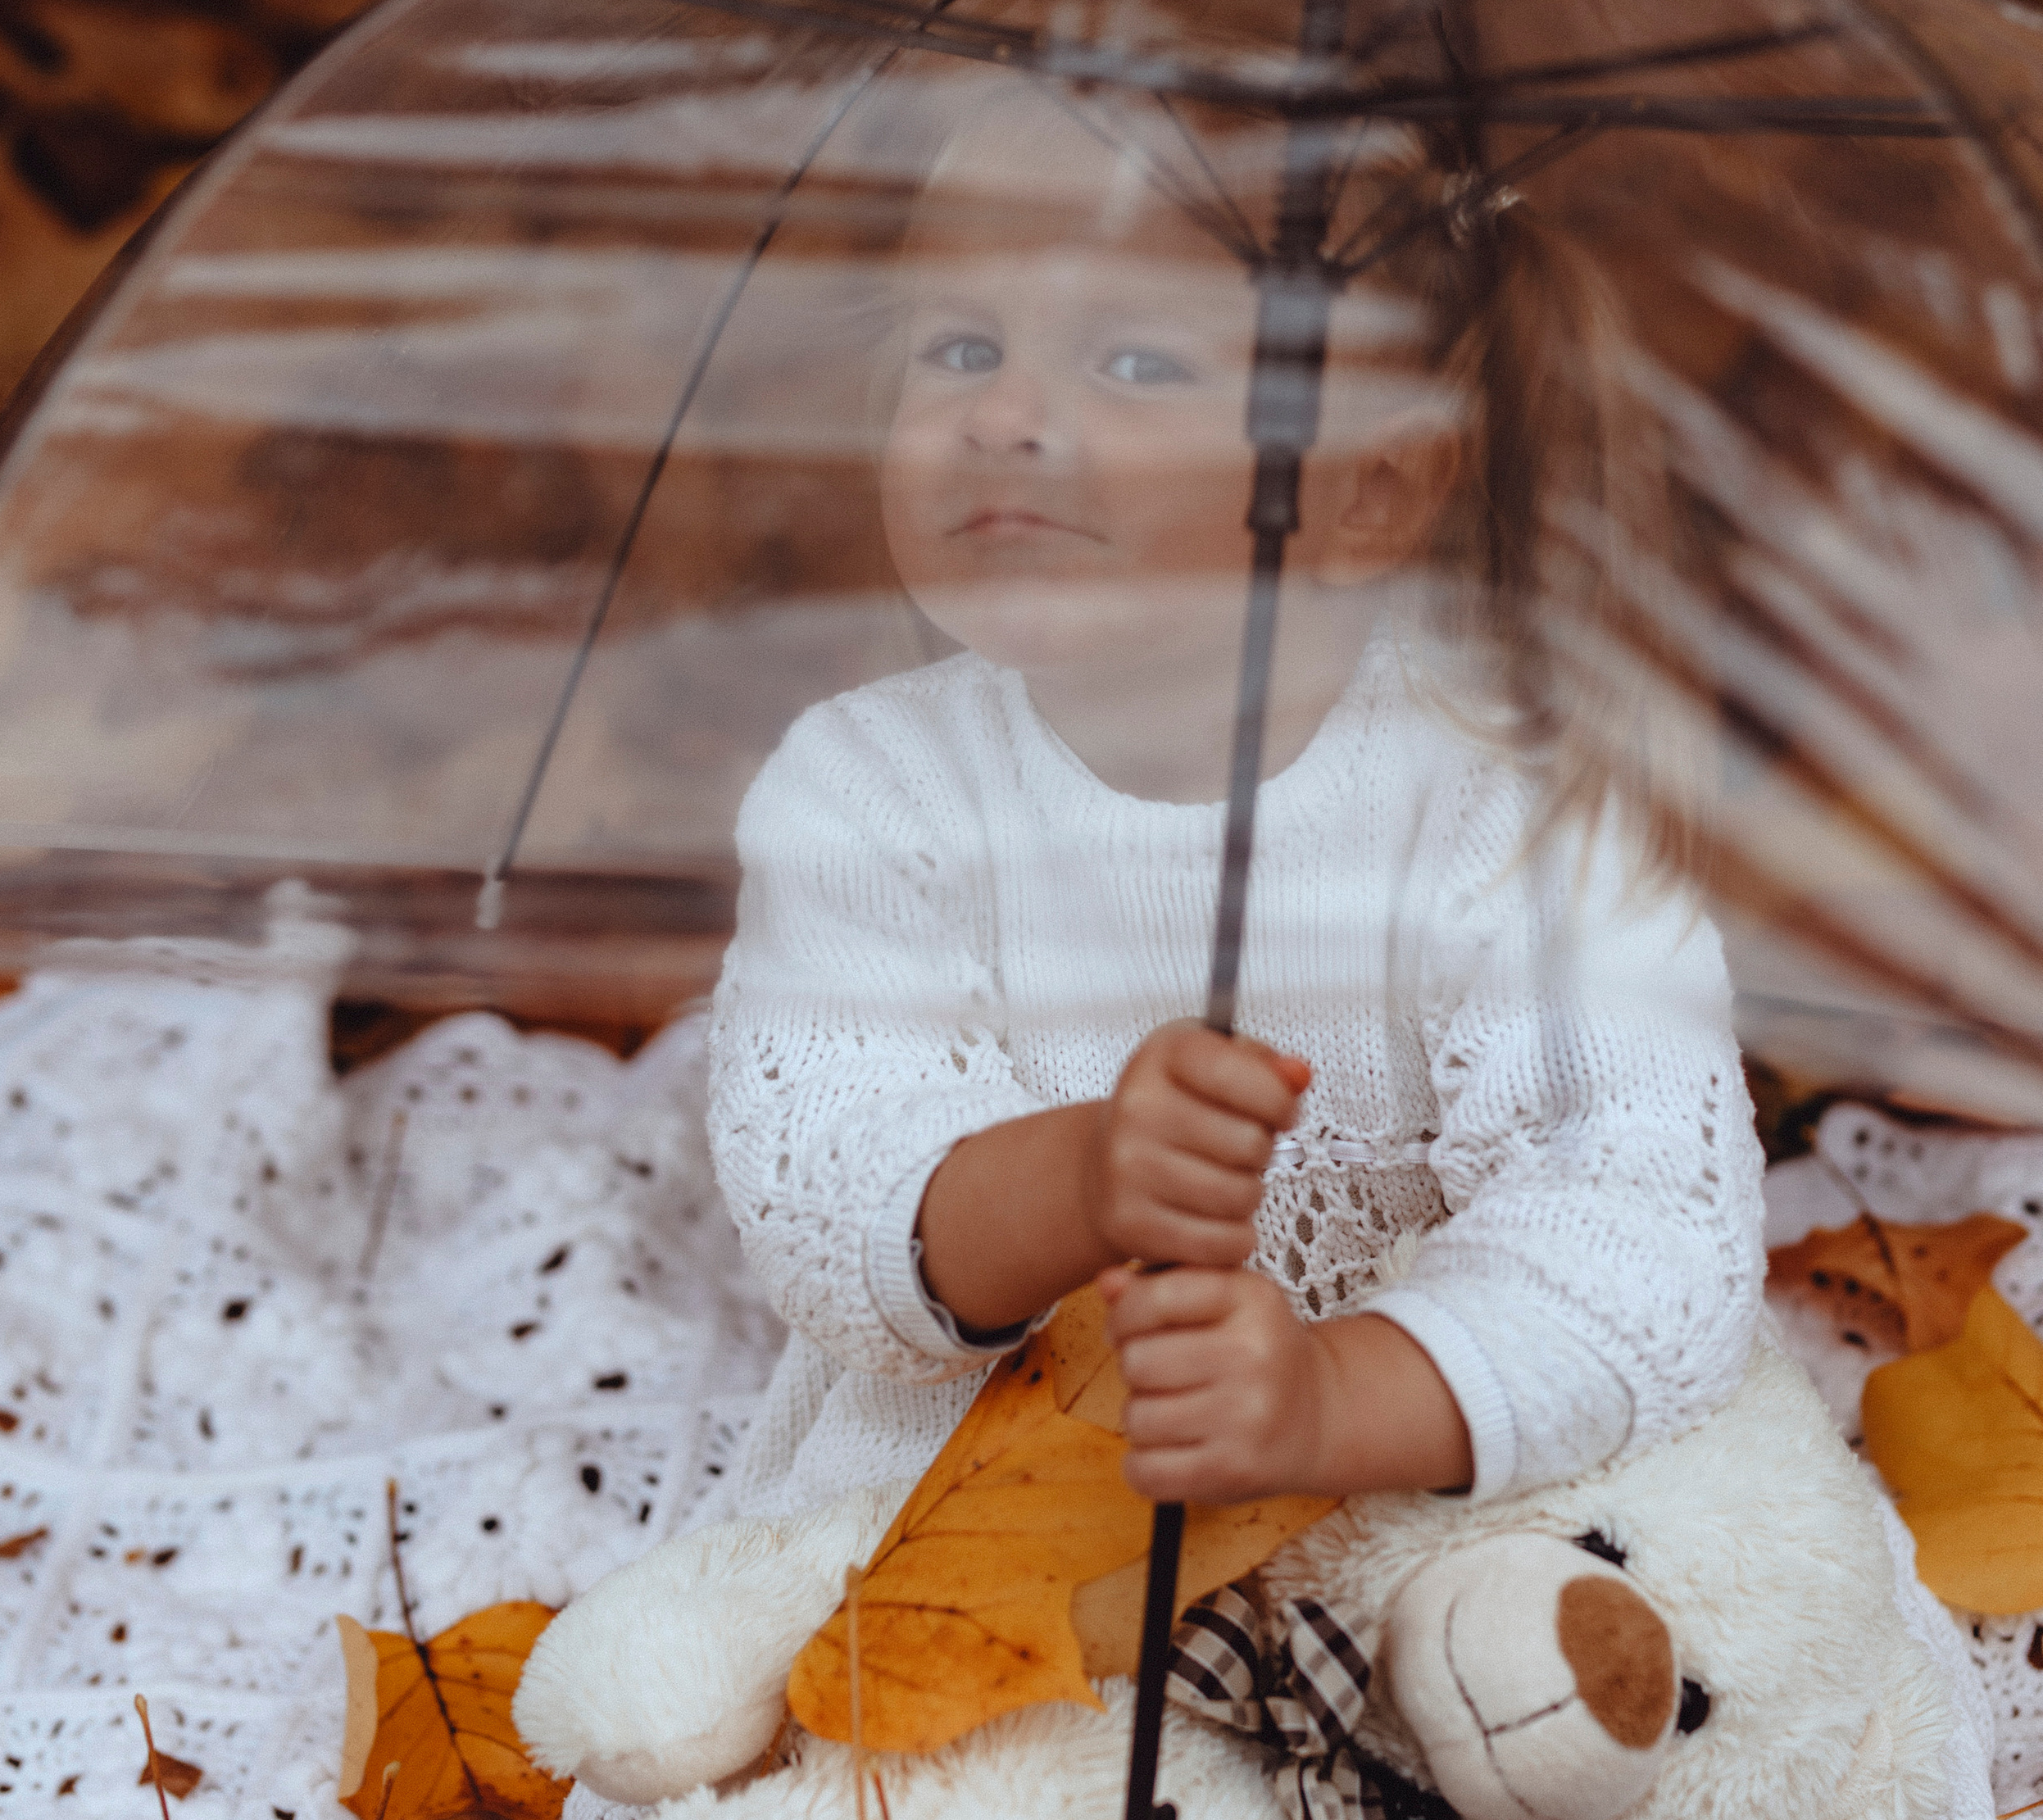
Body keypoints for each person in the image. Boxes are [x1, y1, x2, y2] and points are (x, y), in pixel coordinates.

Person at [708, 79, 1766, 1525]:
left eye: (1135, 363)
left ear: (1371, 490)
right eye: (961, 346)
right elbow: (830, 1191)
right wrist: (1082, 1177)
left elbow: (1640, 1223)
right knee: (884, 1738)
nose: (1006, 415)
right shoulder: (872, 792)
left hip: (1445, 1463)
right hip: (1019, 1490)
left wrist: (1330, 1399)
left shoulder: (1501, 803)